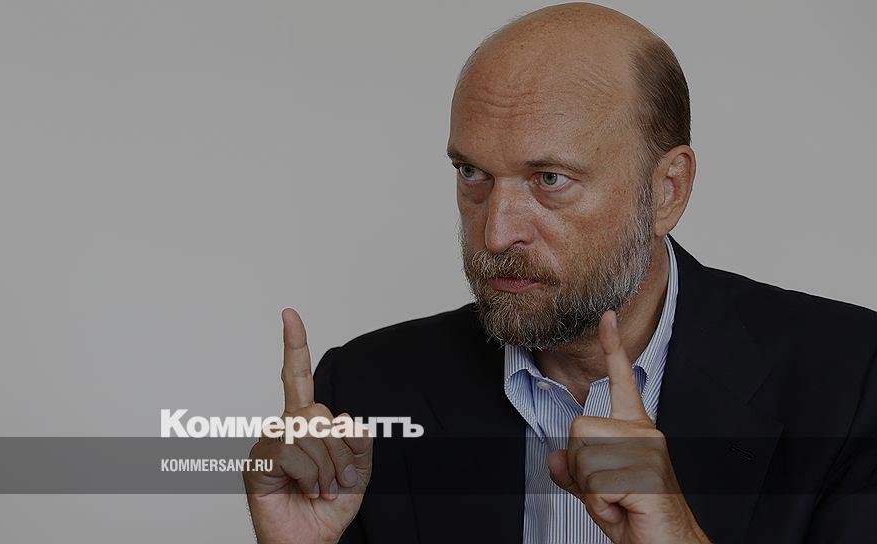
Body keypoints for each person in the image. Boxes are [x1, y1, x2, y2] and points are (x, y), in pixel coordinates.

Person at [244, 3, 877, 543]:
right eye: (472, 173)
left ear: (668, 190)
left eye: (550, 179)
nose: (496, 234)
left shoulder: (851, 381)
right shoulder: (363, 393)